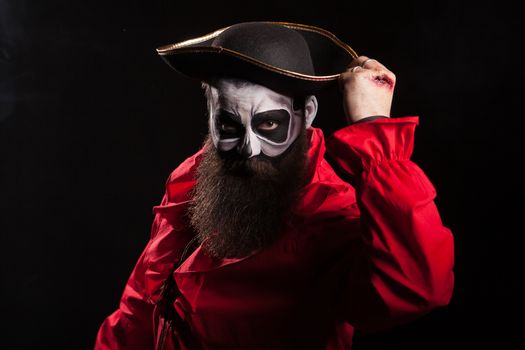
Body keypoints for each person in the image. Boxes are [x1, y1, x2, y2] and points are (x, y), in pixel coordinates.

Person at [95, 22, 454, 350]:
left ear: (306, 114)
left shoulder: (326, 210)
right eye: (229, 126)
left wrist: (374, 127)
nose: (248, 148)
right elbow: (141, 304)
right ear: (209, 111)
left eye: (268, 125)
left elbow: (417, 286)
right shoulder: (194, 178)